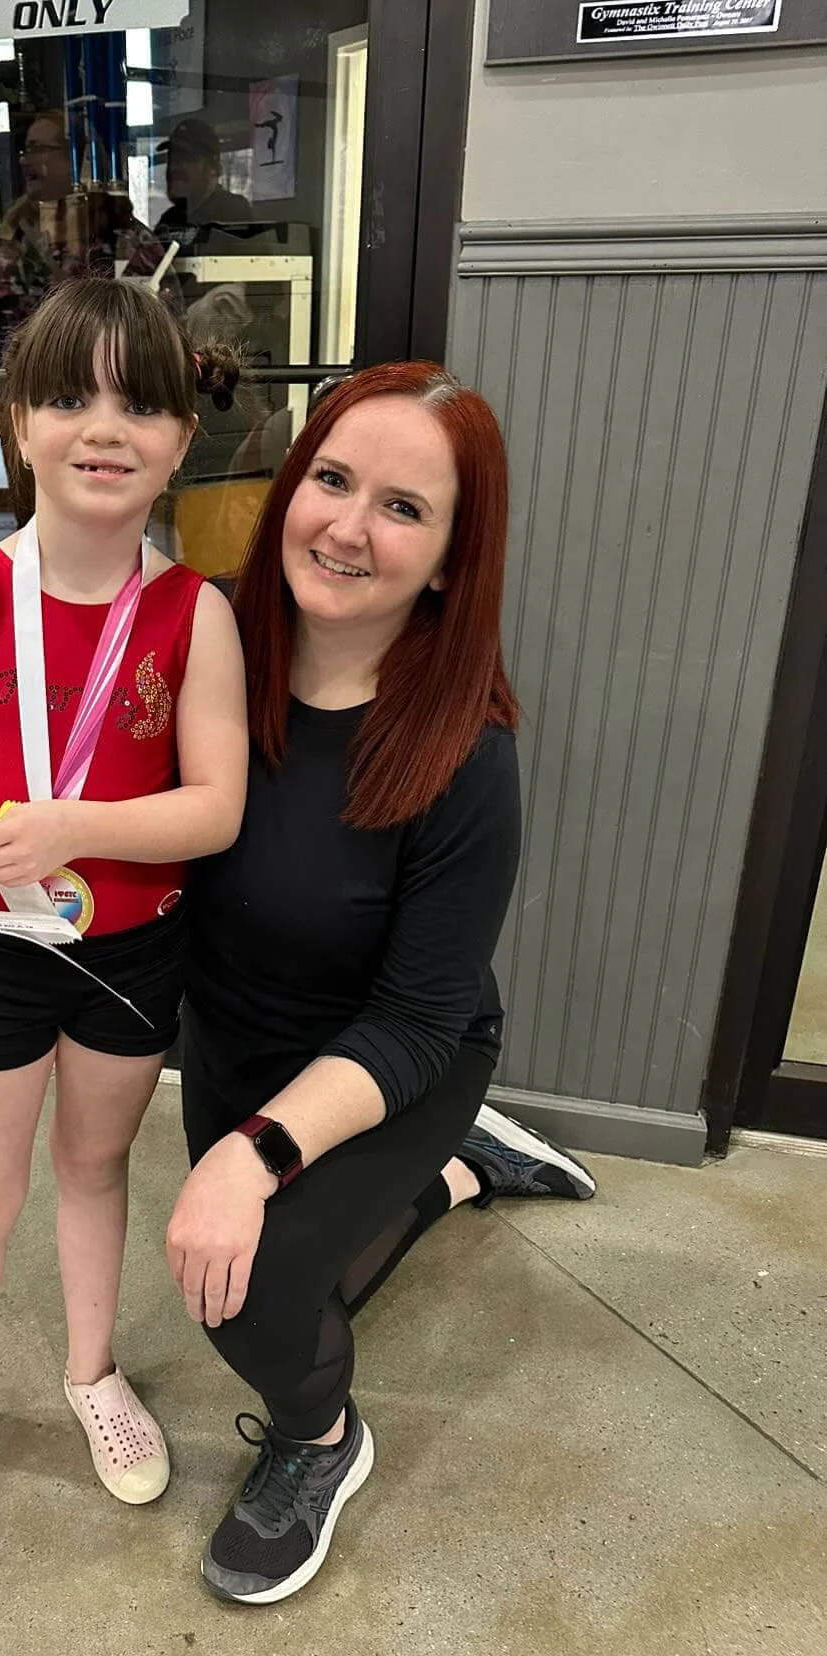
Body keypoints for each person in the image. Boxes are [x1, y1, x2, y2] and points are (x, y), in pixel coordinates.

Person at [164, 360, 595, 1605]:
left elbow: (417, 1016)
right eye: (333, 480)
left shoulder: (466, 751)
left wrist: (250, 1155)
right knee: (286, 1262)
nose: (350, 526)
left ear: (455, 557)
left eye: (404, 507)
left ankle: (322, 1443)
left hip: (397, 1060)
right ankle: (461, 1175)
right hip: (239, 1040)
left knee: (241, 1300)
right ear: (290, 486)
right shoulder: (205, 650)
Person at [0, 276, 248, 1547]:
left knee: (92, 1168)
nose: (104, 425)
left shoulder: (196, 614)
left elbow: (215, 807)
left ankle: (90, 1372)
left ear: (182, 440)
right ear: (19, 419)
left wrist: (79, 826)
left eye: (141, 403)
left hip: (131, 950)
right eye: (70, 395)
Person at [0, 111, 180, 451]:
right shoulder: (11, 235)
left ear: (77, 159)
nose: (27, 162)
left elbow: (167, 327)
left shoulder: (121, 236)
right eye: (27, 151)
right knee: (32, 505)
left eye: (41, 149)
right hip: (17, 415)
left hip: (105, 418)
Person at [156, 117, 254, 235]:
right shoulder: (170, 220)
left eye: (187, 158)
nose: (174, 166)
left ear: (213, 167)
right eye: (172, 157)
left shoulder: (233, 213)